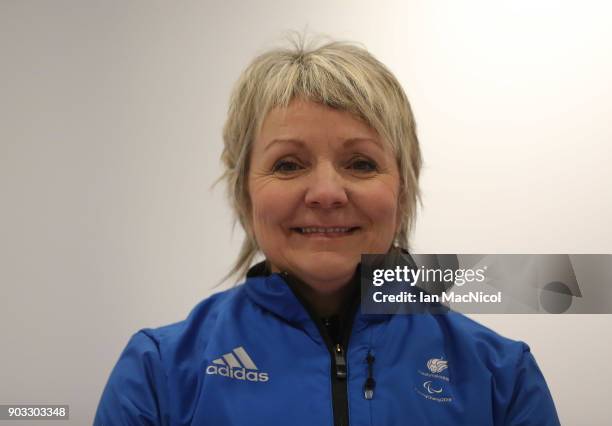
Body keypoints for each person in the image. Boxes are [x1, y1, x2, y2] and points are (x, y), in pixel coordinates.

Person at [94, 35, 560, 425]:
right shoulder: (159, 372)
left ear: (402, 188)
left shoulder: (501, 376)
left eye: (360, 163)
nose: (326, 193)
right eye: (288, 164)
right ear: (244, 192)